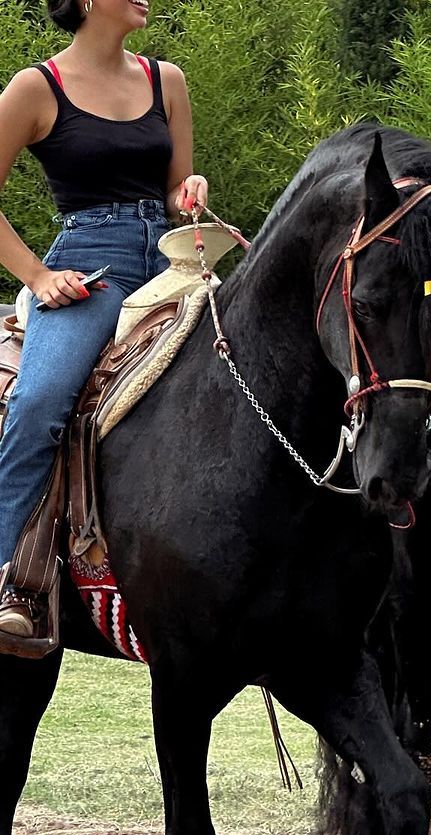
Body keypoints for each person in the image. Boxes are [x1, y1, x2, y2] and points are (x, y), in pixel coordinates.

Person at [0, 0, 207, 640]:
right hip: (90, 268)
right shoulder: (37, 87)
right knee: (38, 402)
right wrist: (37, 277)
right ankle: (9, 572)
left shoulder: (165, 79)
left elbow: (175, 191)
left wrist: (189, 190)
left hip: (172, 262)